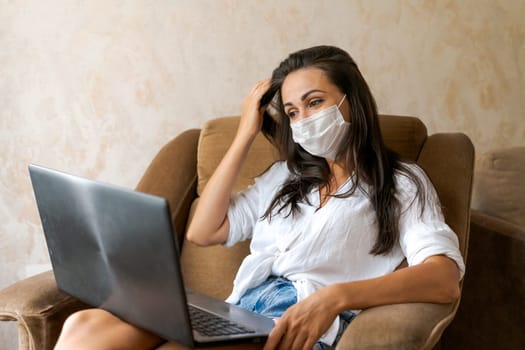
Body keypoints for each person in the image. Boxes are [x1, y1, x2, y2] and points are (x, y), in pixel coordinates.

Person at [54, 45, 464, 350]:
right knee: (83, 327)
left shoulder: (401, 182)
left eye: (314, 103)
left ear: (350, 102)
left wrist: (337, 296)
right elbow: (203, 230)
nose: (302, 119)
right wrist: (245, 133)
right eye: (291, 112)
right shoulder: (286, 177)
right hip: (240, 311)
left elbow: (443, 278)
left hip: (299, 323)